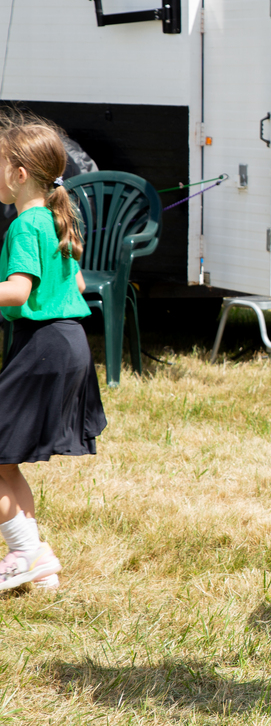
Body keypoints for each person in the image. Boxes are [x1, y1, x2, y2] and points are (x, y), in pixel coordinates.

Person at [0, 111, 107, 592]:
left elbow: (19, 292)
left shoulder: (25, 226)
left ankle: (25, 554)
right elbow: (78, 281)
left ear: (18, 175)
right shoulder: (54, 217)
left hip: (44, 347)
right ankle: (34, 555)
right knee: (6, 458)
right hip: (67, 343)